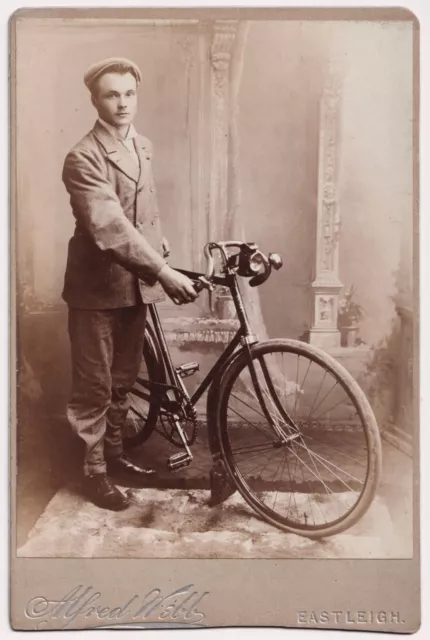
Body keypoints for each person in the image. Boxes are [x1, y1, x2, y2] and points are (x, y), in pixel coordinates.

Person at [62, 57, 198, 511]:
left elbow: (140, 212)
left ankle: (115, 457)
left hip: (134, 284)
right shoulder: (82, 156)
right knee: (95, 386)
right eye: (111, 94)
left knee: (122, 380)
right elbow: (110, 224)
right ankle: (94, 474)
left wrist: (158, 245)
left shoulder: (143, 145)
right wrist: (161, 272)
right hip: (96, 288)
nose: (122, 103)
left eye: (129, 93)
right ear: (95, 100)